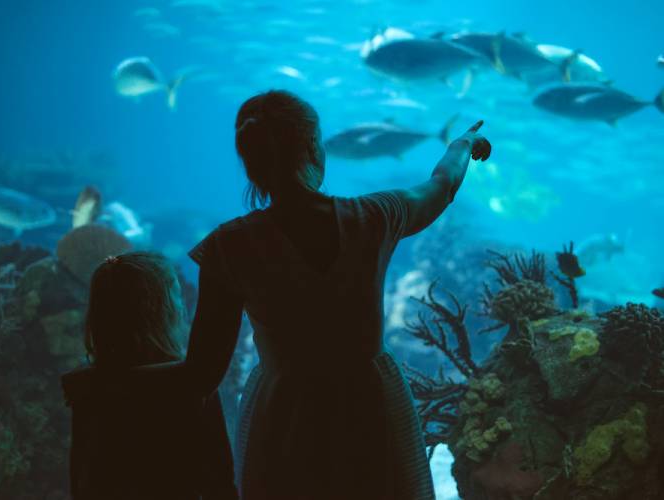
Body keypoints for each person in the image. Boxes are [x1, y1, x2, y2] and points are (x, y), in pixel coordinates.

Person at [134, 90, 491, 500]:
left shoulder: (229, 246)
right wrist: (461, 144)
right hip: (370, 407)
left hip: (285, 416)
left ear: (250, 164)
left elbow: (201, 373)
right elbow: (441, 185)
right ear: (312, 149)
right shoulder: (373, 218)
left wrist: (114, 381)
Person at [61, 252, 238, 500]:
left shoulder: (86, 388)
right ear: (161, 310)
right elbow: (220, 478)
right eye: (176, 295)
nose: (182, 304)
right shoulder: (192, 383)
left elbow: (81, 477)